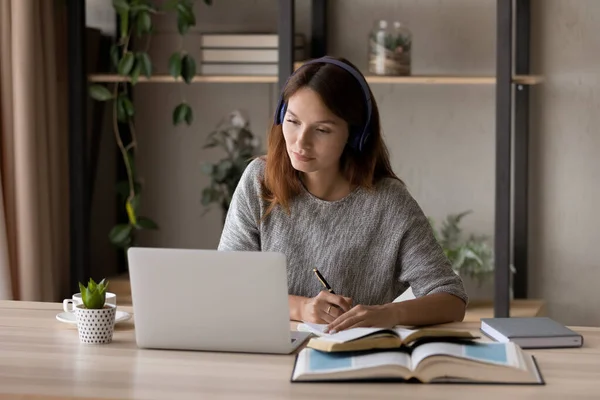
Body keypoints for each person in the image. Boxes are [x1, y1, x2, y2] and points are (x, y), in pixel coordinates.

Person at [218, 55, 468, 333]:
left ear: (355, 134)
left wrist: (389, 314)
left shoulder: (389, 202)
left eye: (322, 129)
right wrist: (301, 307)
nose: (301, 142)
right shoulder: (259, 180)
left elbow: (452, 299)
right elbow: (228, 286)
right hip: (267, 352)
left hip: (352, 360)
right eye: (293, 121)